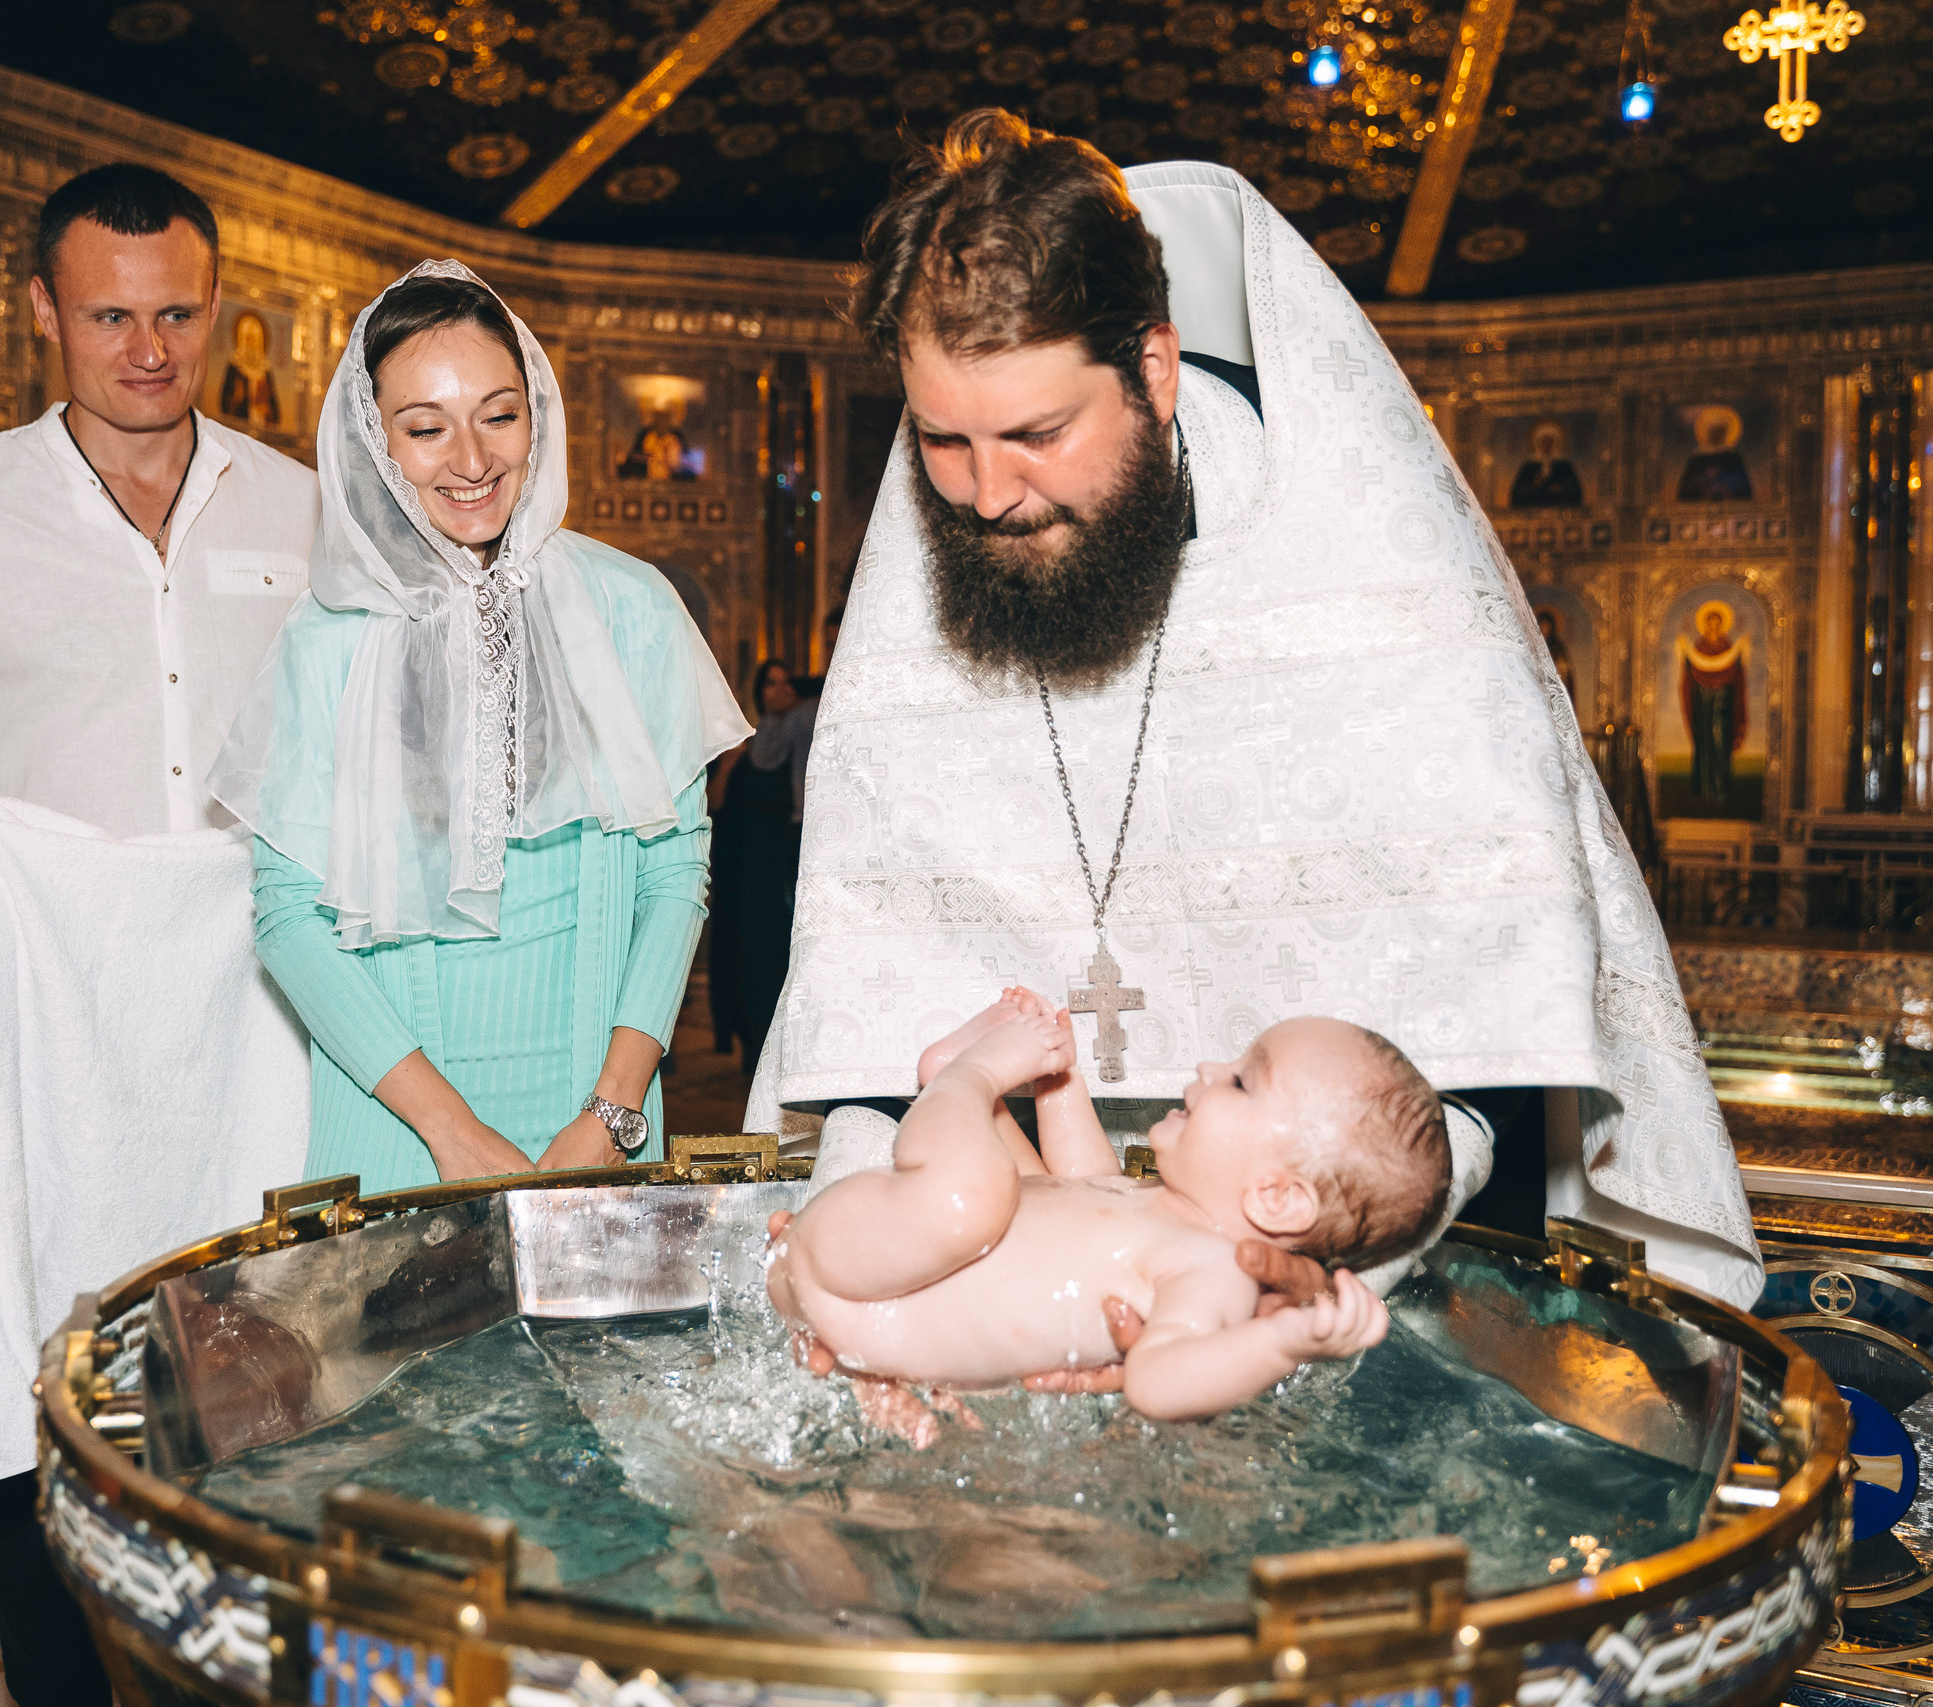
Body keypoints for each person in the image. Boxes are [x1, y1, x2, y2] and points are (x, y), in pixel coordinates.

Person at [747, 110, 1763, 1316]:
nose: (985, 495)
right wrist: (873, 1273)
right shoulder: (920, 587)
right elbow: (880, 1004)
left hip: (1353, 1262)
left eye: (1036, 435)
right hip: (1002, 1255)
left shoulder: (1373, 562)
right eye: (942, 441)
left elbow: (1489, 1010)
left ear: (1154, 369)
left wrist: (1301, 1284)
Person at [0, 163, 315, 1705]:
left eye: (177, 313)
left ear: (216, 305)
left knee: (257, 1386)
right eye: (110, 317)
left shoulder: (305, 510)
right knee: (41, 1383)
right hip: (50, 1023)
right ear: (42, 310)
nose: (148, 350)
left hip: (253, 1020)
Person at [211, 261, 746, 1192]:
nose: (471, 459)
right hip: (397, 1135)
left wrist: (612, 1113)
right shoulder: (328, 636)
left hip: (599, 1128)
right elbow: (289, 917)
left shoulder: (633, 609)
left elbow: (673, 873)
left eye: (499, 415)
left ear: (538, 415)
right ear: (375, 442)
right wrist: (449, 1132)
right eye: (426, 429)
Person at [769, 992, 1440, 1425]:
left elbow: (1157, 1380)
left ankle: (966, 1077)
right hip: (867, 1262)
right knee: (1016, 1187)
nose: (1209, 1068)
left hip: (860, 1299)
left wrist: (1278, 1343)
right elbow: (1081, 1176)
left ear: (1277, 1195)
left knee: (976, 1196)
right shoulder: (1152, 1204)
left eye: (1240, 1081)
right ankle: (952, 1073)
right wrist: (1059, 1079)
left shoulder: (1216, 1273)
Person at [708, 659, 812, 1071]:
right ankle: (754, 1048)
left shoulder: (806, 741)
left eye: (786, 682)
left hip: (788, 868)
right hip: (750, 872)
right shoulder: (746, 745)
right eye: (770, 683)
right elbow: (716, 803)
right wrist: (731, 761)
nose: (779, 691)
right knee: (752, 960)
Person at [1679, 601, 1749, 811]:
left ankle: (1720, 789)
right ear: (1705, 625)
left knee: (1720, 743)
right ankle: (1703, 789)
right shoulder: (1698, 648)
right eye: (1710, 624)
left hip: (1723, 703)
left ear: (1721, 626)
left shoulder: (1728, 648)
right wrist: (1684, 652)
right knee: (1704, 743)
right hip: (1702, 701)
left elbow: (1736, 673)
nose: (1713, 628)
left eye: (1717, 624)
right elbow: (1690, 671)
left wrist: (1741, 652)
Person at [218, 309, 282, 427]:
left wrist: (265, 410)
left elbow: (274, 410)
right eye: (247, 338)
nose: (250, 343)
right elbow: (225, 404)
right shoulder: (234, 367)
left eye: (254, 339)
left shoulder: (265, 370)